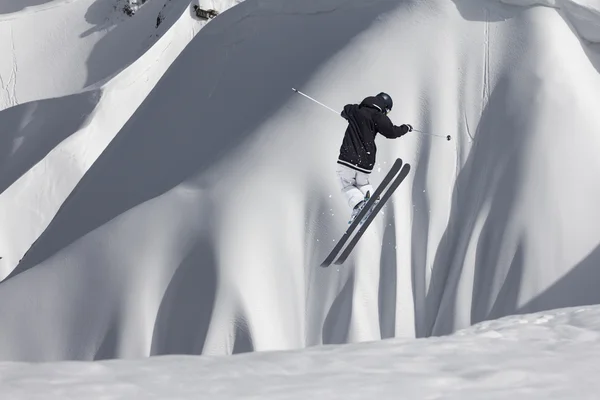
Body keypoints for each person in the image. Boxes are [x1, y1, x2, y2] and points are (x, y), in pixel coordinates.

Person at [337, 92, 412, 223]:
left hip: (348, 158)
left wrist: (348, 115)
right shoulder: (379, 117)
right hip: (366, 161)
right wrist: (405, 128)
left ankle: (360, 204)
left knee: (346, 184)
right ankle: (371, 199)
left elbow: (345, 109)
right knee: (362, 183)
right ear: (385, 108)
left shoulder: (356, 109)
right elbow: (392, 132)